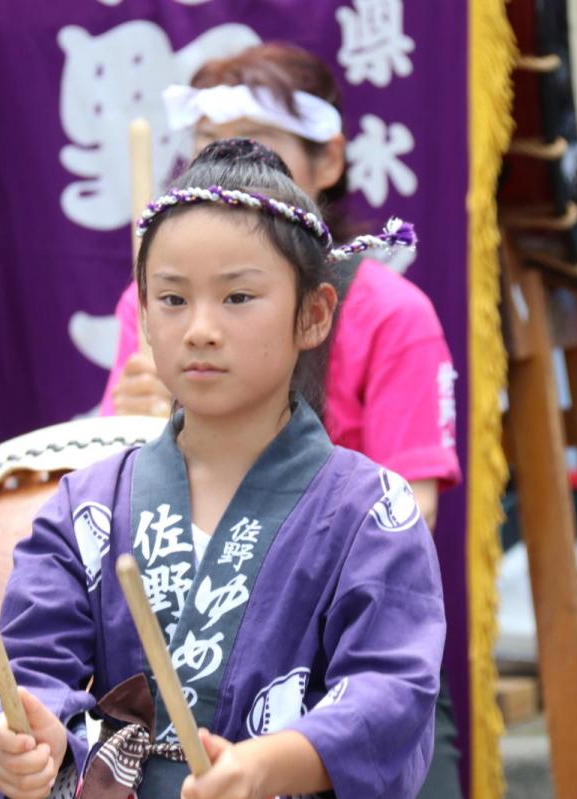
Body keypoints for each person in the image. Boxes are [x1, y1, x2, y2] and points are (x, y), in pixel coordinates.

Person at [0, 139, 445, 799]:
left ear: (313, 315)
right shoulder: (87, 504)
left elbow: (393, 690)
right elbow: (20, 669)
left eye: (238, 297)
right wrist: (25, 734)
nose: (200, 329)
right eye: (171, 299)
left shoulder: (371, 511)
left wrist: (270, 763)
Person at [102, 43, 460, 532]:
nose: (233, 174)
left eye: (259, 149)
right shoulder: (150, 301)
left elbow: (408, 514)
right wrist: (129, 430)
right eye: (209, 146)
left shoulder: (393, 313)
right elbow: (110, 505)